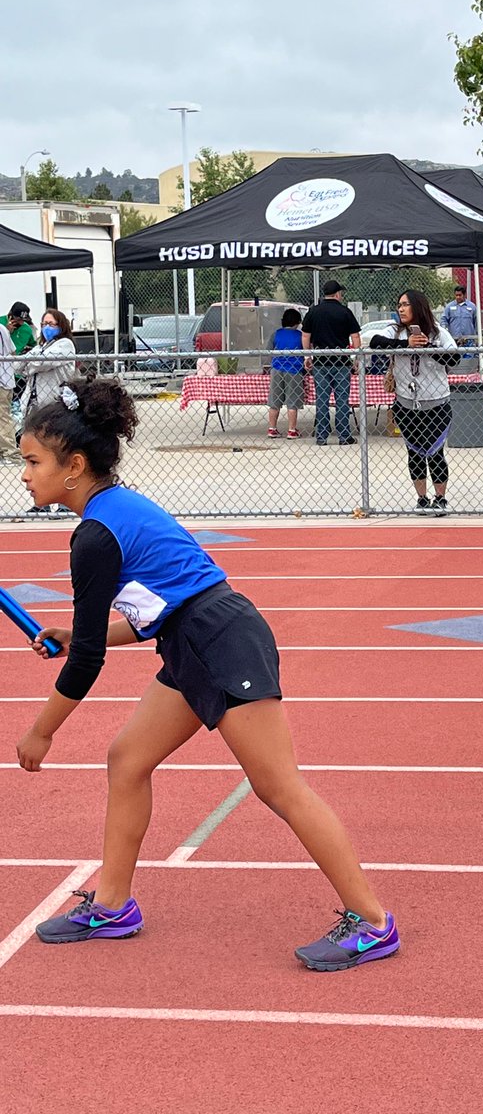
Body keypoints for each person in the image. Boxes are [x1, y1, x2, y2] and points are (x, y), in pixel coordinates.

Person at [15, 376, 399, 971]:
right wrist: (73, 636)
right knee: (128, 759)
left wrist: (42, 731)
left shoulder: (95, 534)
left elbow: (92, 659)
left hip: (221, 641)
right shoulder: (117, 508)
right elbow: (151, 613)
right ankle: (114, 904)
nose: (23, 475)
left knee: (279, 787)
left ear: (75, 465)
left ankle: (372, 921)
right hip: (193, 639)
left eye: (32, 462)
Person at [369, 289, 460, 516]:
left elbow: (454, 358)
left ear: (418, 306)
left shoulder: (439, 333)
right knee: (415, 453)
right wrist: (406, 345)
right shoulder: (395, 331)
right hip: (406, 403)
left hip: (436, 403)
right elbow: (375, 343)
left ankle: (440, 498)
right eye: (399, 304)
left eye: (406, 304)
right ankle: (421, 498)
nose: (401, 309)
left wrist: (427, 346)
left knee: (436, 453)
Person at [302, 280, 361, 446]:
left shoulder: (313, 312)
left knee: (322, 399)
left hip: (320, 361)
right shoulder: (345, 312)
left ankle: (321, 436)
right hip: (341, 362)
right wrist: (356, 358)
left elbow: (305, 336)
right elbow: (355, 336)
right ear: (337, 294)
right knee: (342, 400)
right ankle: (344, 436)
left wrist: (307, 356)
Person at [16, 309, 77, 420]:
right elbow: (18, 367)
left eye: (50, 324)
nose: (46, 327)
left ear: (60, 325)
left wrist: (29, 364)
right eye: (44, 324)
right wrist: (33, 363)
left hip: (52, 403)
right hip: (32, 403)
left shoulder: (65, 344)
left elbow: (43, 362)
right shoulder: (41, 347)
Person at [265, 308, 304, 439]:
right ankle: (292, 430)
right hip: (294, 370)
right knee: (292, 401)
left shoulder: (276, 334)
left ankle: (272, 428)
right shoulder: (300, 336)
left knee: (274, 400)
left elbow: (268, 351)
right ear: (297, 322)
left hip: (277, 369)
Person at [0, 319, 17, 463]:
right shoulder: (3, 329)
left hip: (2, 382)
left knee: (3, 417)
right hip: (6, 379)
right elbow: (13, 350)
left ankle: (10, 453)